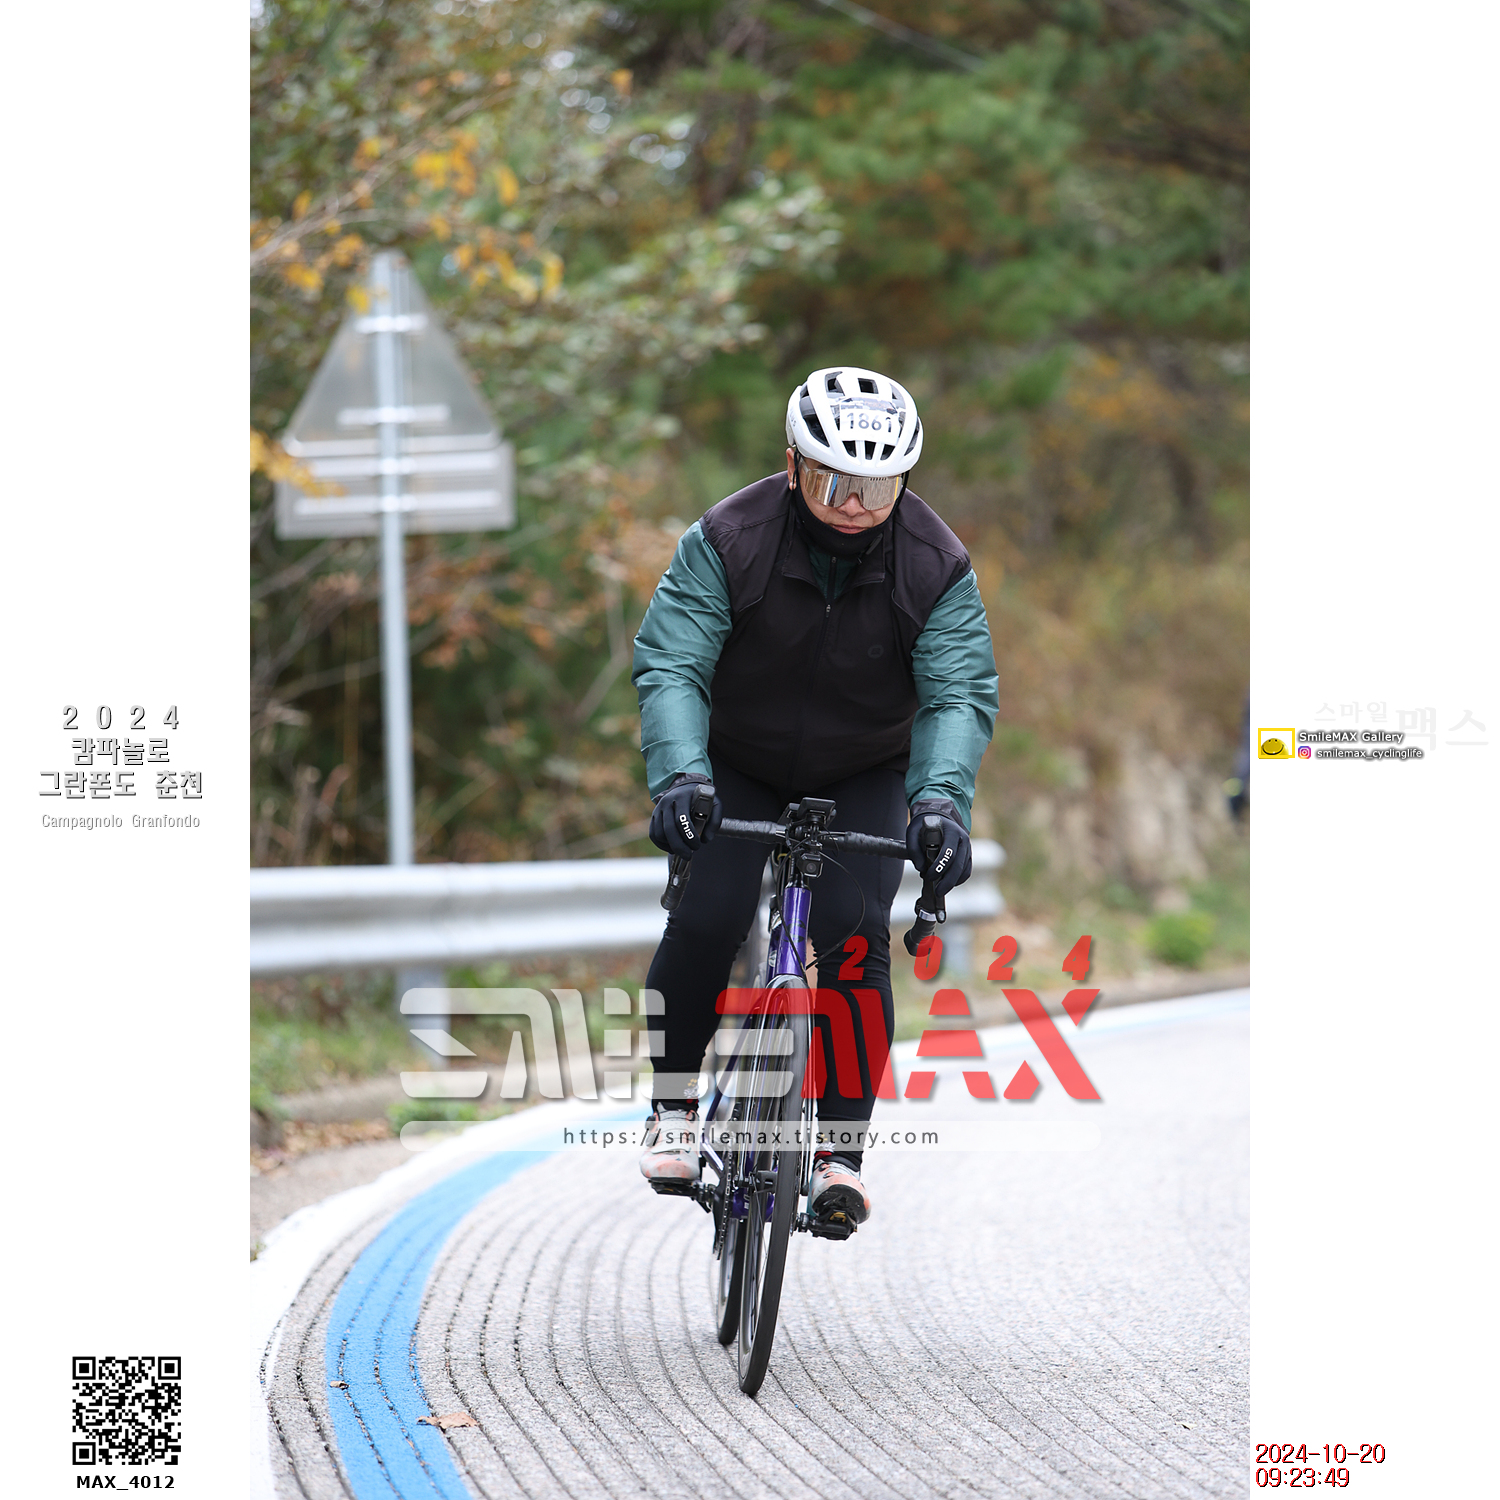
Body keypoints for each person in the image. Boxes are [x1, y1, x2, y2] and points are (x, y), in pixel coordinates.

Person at [630, 366, 998, 1225]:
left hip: (863, 769)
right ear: (793, 464)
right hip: (736, 762)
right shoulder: (729, 537)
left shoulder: (937, 565)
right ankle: (674, 1108)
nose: (856, 505)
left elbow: (957, 695)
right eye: (835, 481)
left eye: (878, 486)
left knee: (855, 940)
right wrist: (682, 775)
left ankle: (839, 1154)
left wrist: (940, 803)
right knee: (709, 918)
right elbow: (674, 662)